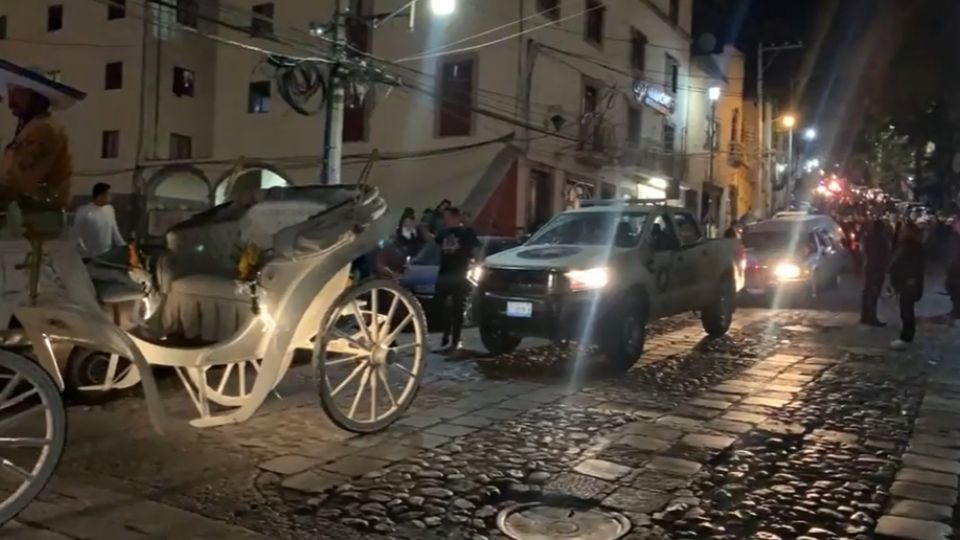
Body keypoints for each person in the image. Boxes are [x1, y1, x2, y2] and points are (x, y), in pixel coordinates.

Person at [0, 61, 83, 211]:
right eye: (10, 90)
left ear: (34, 94)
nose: (11, 97)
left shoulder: (45, 129)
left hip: (37, 221)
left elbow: (19, 181)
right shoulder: (31, 128)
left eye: (17, 90)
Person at [433, 207, 480, 355]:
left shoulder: (465, 233)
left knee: (457, 309)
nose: (445, 220)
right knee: (441, 306)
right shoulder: (444, 233)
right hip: (444, 273)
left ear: (455, 217)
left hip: (459, 274)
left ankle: (454, 341)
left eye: (447, 216)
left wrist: (472, 262)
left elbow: (476, 247)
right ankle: (446, 334)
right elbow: (435, 241)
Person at [889, 223, 925, 350]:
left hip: (908, 284)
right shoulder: (907, 245)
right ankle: (906, 335)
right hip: (905, 283)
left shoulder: (912, 247)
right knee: (905, 310)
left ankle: (906, 337)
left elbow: (912, 266)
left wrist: (909, 280)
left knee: (907, 310)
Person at [71, 182, 125, 260]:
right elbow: (76, 234)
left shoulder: (109, 209)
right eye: (109, 194)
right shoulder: (84, 211)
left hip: (106, 255)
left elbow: (115, 231)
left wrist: (123, 247)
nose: (111, 197)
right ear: (101, 196)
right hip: (88, 256)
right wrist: (83, 251)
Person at [860, 219, 891, 327]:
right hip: (876, 269)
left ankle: (865, 316)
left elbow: (865, 252)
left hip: (869, 268)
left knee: (868, 292)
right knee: (873, 293)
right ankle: (871, 317)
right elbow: (883, 254)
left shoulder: (868, 237)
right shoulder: (881, 240)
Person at [945, 217, 960, 323]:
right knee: (952, 290)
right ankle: (956, 310)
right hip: (953, 268)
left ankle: (957, 312)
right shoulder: (953, 236)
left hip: (957, 269)